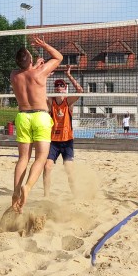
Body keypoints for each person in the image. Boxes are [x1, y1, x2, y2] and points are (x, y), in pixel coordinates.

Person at [10, 36, 63, 213]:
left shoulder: (14, 75)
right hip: (40, 116)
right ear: (31, 60)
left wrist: (34, 65)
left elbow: (26, 72)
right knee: (41, 158)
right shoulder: (41, 72)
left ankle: (16, 192)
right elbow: (58, 57)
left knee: (23, 158)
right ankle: (28, 187)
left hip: (23, 116)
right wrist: (44, 46)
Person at [43, 66, 83, 197]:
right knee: (47, 167)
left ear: (65, 88)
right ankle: (46, 195)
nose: (59, 87)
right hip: (53, 142)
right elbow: (40, 92)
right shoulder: (51, 102)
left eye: (61, 85)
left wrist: (69, 75)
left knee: (69, 169)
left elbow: (80, 90)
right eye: (57, 85)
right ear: (55, 88)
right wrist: (45, 77)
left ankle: (75, 195)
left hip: (67, 141)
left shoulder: (68, 101)